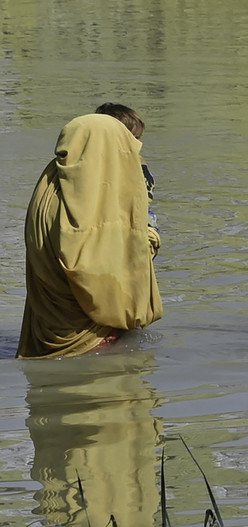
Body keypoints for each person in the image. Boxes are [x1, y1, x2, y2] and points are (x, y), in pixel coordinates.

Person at [17, 113, 163, 359]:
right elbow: (96, 270)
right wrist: (149, 235)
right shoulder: (96, 200)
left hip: (46, 331)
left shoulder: (49, 188)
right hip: (94, 339)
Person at [95, 102, 158, 231]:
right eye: (132, 138)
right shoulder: (94, 167)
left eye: (139, 138)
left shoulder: (138, 166)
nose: (138, 144)